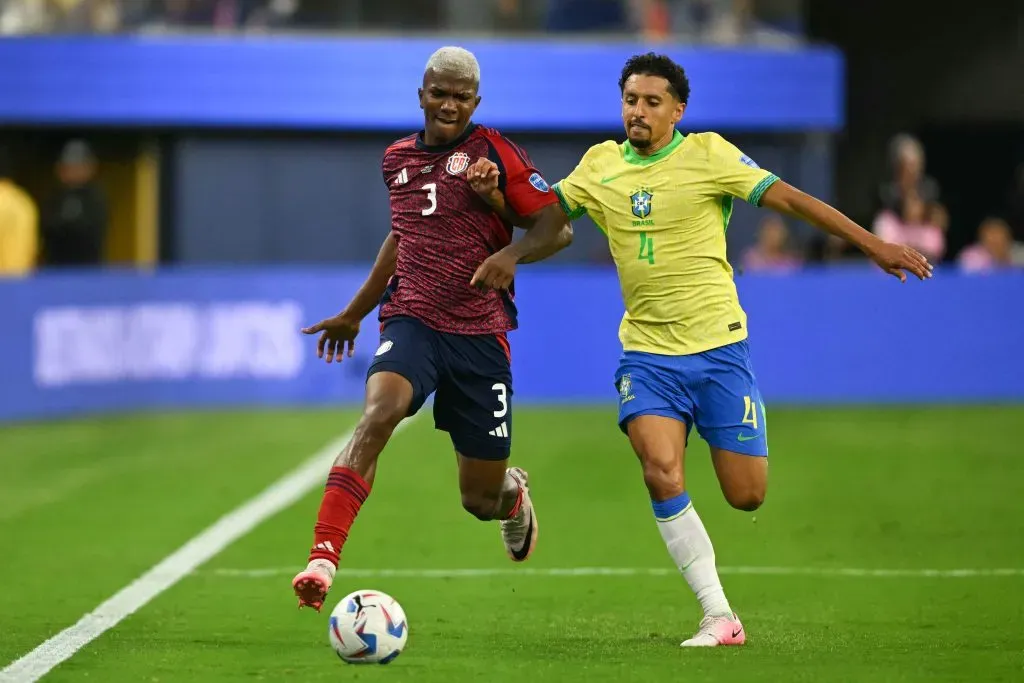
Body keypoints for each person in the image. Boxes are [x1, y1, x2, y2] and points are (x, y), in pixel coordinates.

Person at [468, 52, 931, 647]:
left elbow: (791, 200)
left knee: (746, 494)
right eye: (631, 99)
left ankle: (722, 583)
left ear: (677, 110)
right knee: (660, 472)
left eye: (652, 101)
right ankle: (719, 614)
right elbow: (545, 219)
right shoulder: (600, 165)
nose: (638, 110)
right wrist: (494, 201)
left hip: (718, 350)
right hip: (647, 355)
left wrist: (872, 244)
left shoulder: (709, 153)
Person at [291, 46, 573, 611]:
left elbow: (557, 227)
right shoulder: (396, 158)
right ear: (421, 95)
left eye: (461, 96)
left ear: (476, 101)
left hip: (478, 333)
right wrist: (355, 312)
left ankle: (512, 496)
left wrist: (511, 254)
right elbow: (402, 238)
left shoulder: (494, 152)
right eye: (440, 93)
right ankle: (323, 559)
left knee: (478, 498)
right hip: (412, 318)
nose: (449, 105)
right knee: (379, 415)